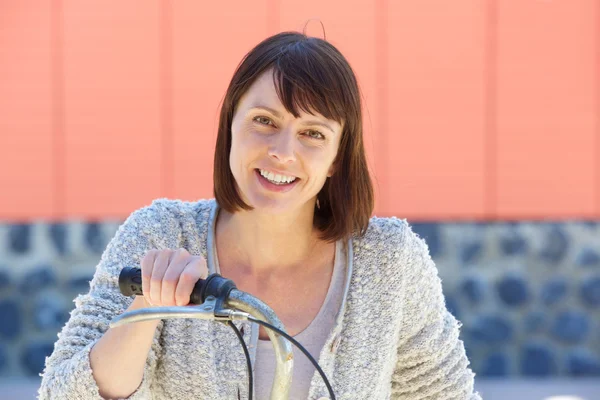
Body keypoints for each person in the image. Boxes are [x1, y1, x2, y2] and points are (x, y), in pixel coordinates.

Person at [38, 31, 482, 400]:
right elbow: (63, 393)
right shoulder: (159, 233)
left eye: (313, 133)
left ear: (337, 158)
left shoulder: (389, 261)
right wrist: (145, 309)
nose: (283, 152)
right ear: (230, 124)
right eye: (264, 121)